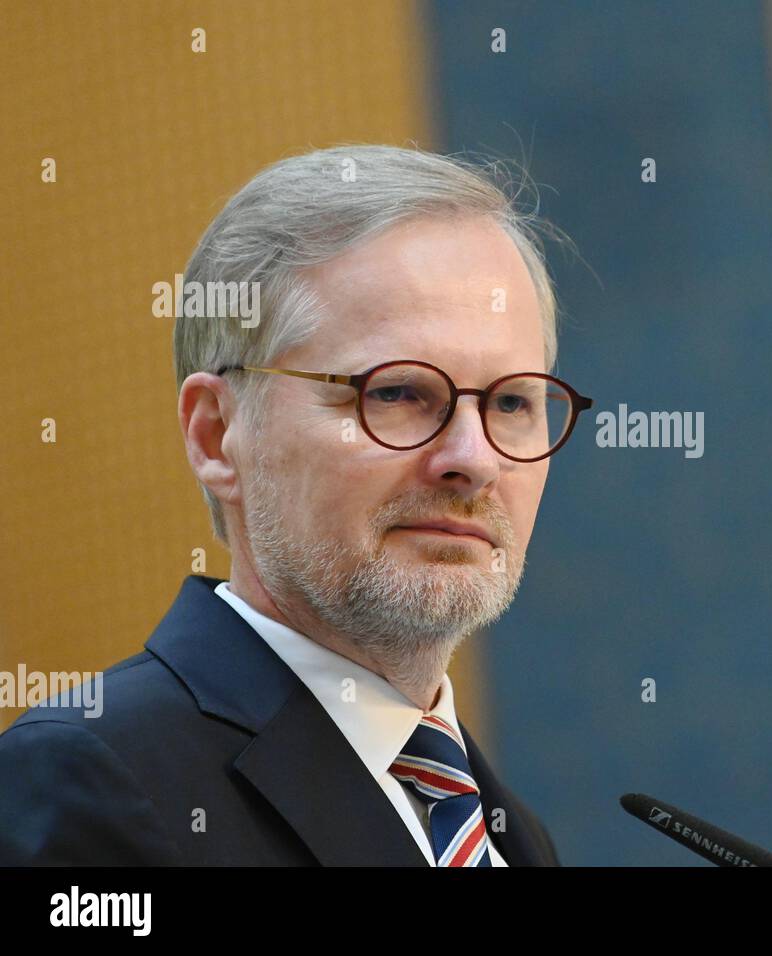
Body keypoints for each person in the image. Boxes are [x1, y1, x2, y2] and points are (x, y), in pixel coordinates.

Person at [0, 145, 592, 866]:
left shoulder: (514, 835)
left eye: (510, 402)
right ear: (219, 436)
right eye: (398, 393)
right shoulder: (93, 777)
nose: (473, 459)